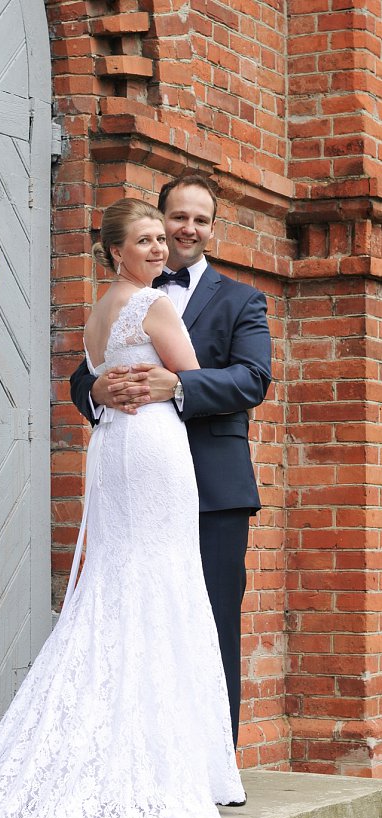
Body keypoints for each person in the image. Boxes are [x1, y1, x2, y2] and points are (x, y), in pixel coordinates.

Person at [0, 198, 244, 818]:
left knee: (121, 582)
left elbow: (102, 374)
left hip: (116, 449)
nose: (160, 248)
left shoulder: (99, 310)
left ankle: (129, 745)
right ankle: (157, 763)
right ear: (117, 251)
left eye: (162, 238)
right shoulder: (154, 304)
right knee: (161, 582)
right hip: (152, 448)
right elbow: (188, 375)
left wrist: (108, 388)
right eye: (146, 240)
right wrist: (153, 382)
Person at [71, 175, 272, 750]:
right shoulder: (128, 294)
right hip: (140, 478)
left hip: (212, 488)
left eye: (200, 220)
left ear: (212, 229)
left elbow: (253, 379)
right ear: (158, 220)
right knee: (139, 617)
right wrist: (96, 392)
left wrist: (178, 386)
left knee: (208, 624)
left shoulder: (241, 299)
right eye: (177, 217)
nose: (186, 229)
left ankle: (213, 768)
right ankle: (141, 755)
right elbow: (85, 376)